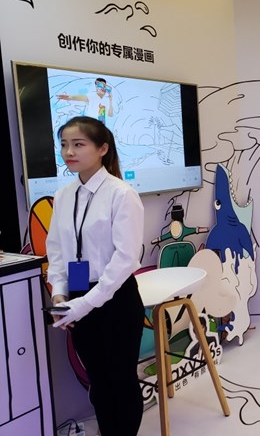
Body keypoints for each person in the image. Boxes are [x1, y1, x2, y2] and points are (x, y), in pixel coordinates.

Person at [46, 116, 144, 436]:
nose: (69, 152)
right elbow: (57, 250)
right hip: (77, 296)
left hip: (115, 298)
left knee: (121, 379)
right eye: (64, 144)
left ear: (102, 149)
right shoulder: (64, 195)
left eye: (78, 144)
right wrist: (60, 295)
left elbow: (125, 259)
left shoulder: (121, 194)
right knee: (98, 380)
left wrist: (84, 304)